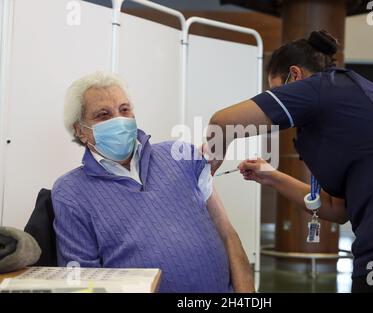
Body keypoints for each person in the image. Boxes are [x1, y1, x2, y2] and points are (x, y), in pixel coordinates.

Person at [205, 30, 373, 292]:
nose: (276, 99)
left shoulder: (319, 88)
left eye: (277, 89)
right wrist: (270, 176)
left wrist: (204, 169)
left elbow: (223, 122)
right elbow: (337, 209)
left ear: (295, 75)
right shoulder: (344, 109)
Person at [53, 71, 254, 293]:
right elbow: (82, 283)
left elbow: (228, 234)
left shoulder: (181, 155)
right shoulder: (70, 192)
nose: (119, 120)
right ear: (80, 131)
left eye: (124, 109)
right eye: (103, 115)